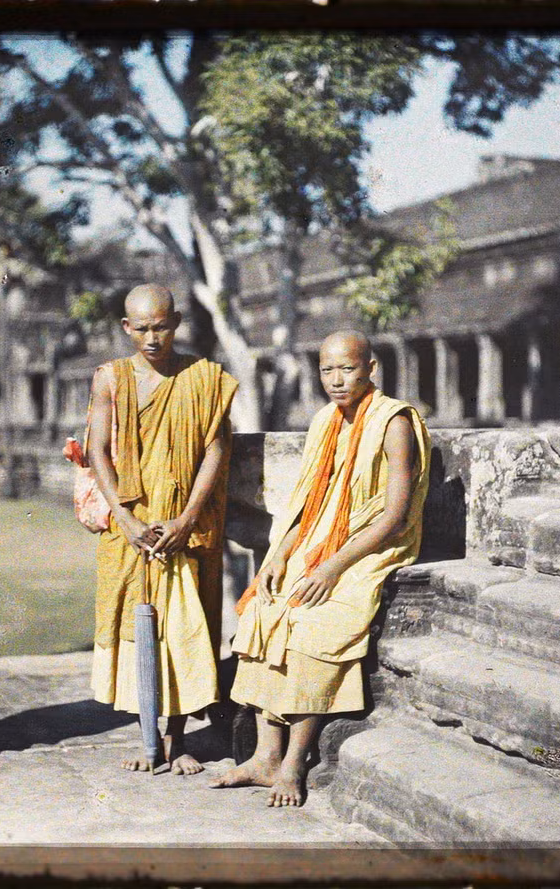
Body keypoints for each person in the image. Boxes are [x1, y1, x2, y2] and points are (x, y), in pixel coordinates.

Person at [210, 330, 431, 806]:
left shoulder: (392, 421)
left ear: (370, 368)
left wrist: (332, 568)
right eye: (327, 370)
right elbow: (306, 508)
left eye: (347, 368)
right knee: (264, 610)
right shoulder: (325, 422)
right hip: (318, 543)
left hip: (370, 547)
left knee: (313, 623)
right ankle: (265, 755)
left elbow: (394, 516)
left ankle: (294, 761)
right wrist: (277, 557)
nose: (336, 379)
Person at [87, 283, 238, 775]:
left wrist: (188, 517)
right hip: (133, 526)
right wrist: (126, 519)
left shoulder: (204, 378)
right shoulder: (110, 379)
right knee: (138, 631)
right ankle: (147, 734)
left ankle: (178, 738)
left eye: (161, 326)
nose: (152, 338)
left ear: (176, 323)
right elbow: (97, 451)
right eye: (142, 329)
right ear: (127, 328)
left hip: (183, 526)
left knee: (183, 631)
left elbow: (216, 449)